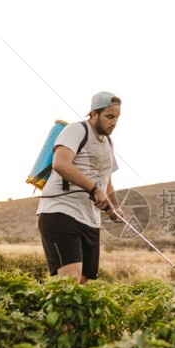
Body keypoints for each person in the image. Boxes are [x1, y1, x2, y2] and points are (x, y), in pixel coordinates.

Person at [36, 91, 124, 283]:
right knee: (69, 282)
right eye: (109, 116)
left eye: (117, 117)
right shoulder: (76, 130)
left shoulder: (108, 142)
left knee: (82, 285)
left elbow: (105, 179)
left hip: (90, 220)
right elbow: (60, 163)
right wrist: (94, 189)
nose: (114, 122)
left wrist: (115, 207)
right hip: (61, 212)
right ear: (93, 114)